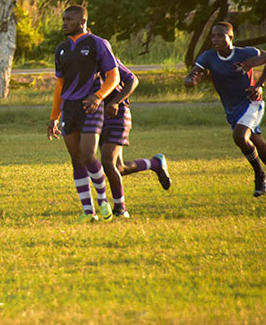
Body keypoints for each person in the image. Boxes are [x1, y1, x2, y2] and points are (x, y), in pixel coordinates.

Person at [47, 5, 120, 223]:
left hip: (91, 106)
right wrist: (54, 117)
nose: (64, 23)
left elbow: (113, 76)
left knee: (88, 154)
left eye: (69, 19)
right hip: (69, 109)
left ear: (82, 22)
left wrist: (98, 96)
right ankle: (88, 212)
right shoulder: (61, 49)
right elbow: (60, 85)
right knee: (76, 160)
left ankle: (103, 201)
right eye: (63, 19)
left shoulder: (98, 44)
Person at [184, 22, 266, 197]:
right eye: (213, 35)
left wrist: (259, 85)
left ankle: (259, 175)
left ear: (231, 38)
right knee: (258, 143)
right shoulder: (208, 57)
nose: (216, 39)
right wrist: (192, 81)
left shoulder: (245, 53)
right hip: (232, 109)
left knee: (240, 136)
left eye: (221, 35)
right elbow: (191, 76)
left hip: (251, 102)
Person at [100, 58, 171, 219]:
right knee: (119, 168)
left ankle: (120, 209)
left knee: (107, 162)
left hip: (117, 114)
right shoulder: (77, 59)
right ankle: (155, 163)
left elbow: (132, 79)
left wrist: (115, 102)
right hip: (97, 117)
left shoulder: (104, 55)